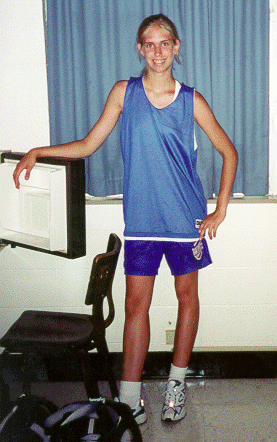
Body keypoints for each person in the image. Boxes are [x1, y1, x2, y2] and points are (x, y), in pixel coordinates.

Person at [13, 14, 238, 424]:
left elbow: (229, 152)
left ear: (176, 46)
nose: (157, 51)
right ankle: (131, 400)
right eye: (149, 44)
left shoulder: (192, 99)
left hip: (185, 220)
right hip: (142, 222)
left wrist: (220, 209)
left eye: (165, 43)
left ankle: (176, 385)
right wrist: (37, 152)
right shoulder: (124, 92)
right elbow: (87, 144)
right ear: (139, 48)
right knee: (137, 307)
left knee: (188, 299)